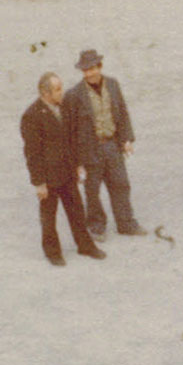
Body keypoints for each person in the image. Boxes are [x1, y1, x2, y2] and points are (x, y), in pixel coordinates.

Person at [19, 72, 105, 266]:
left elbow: (71, 139)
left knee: (77, 211)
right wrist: (39, 183)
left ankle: (85, 245)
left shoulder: (64, 108)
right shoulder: (31, 116)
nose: (62, 92)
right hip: (48, 177)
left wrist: (78, 164)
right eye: (57, 89)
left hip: (67, 172)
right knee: (48, 217)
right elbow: (32, 153)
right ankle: (53, 252)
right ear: (45, 93)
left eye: (61, 88)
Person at [62, 48, 145, 239]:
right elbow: (69, 132)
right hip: (89, 151)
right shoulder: (74, 95)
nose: (89, 74)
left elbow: (122, 113)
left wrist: (126, 139)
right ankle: (97, 226)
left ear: (100, 67)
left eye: (92, 69)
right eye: (85, 70)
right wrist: (76, 162)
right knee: (92, 190)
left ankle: (126, 224)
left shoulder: (113, 85)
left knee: (121, 185)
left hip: (112, 146)